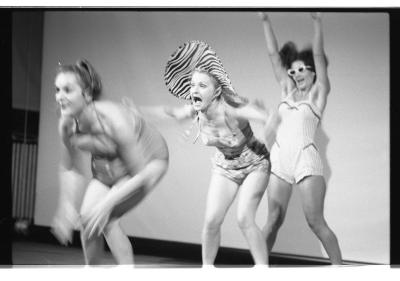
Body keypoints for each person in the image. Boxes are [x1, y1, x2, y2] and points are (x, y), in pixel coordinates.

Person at [163, 40, 278, 265]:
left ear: (216, 91)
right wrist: (136, 112)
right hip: (225, 166)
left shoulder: (232, 112)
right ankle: (208, 270)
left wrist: (270, 120)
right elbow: (169, 113)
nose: (194, 90)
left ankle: (263, 270)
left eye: (202, 86)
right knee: (211, 221)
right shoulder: (194, 110)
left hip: (255, 163)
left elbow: (266, 117)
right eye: (192, 84)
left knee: (244, 218)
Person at [51, 59, 169, 265]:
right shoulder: (67, 125)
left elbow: (140, 175)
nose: (60, 96)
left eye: (68, 90)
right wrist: (66, 206)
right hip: (110, 162)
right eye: (57, 89)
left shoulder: (113, 120)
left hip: (148, 161)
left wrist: (107, 203)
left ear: (86, 95)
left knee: (107, 218)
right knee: (88, 221)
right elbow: (71, 167)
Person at [258, 12, 342, 264]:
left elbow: (318, 56)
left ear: (313, 71)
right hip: (279, 159)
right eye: (292, 70)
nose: (296, 74)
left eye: (301, 69)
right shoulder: (287, 90)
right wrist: (265, 20)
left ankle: (340, 270)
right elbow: (274, 57)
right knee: (272, 221)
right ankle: (257, 269)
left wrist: (317, 23)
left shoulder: (318, 95)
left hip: (305, 159)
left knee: (315, 222)